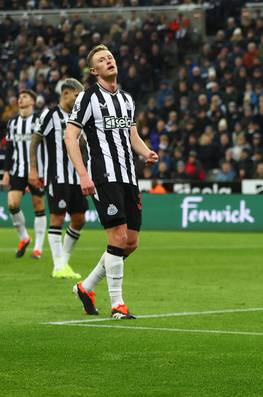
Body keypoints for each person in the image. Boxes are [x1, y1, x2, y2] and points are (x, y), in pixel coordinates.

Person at [65, 44, 158, 319]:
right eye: (102, 60)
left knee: (130, 242)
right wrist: (83, 174)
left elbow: (131, 135)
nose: (109, 61)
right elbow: (70, 137)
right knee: (117, 236)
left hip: (129, 176)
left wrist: (146, 152)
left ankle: (86, 287)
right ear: (94, 71)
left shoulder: (127, 99)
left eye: (111, 57)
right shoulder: (87, 98)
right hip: (103, 176)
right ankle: (118, 305)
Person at [29, 78, 87, 279]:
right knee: (58, 218)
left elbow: (83, 145)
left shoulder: (77, 118)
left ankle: (64, 262)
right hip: (57, 176)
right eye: (77, 96)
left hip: (77, 177)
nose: (79, 100)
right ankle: (58, 265)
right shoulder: (49, 115)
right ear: (66, 93)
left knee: (80, 219)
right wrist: (33, 169)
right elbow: (35, 140)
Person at [1, 89, 47, 259]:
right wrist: (6, 172)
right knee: (12, 204)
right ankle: (24, 238)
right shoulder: (12, 123)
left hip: (37, 170)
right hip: (17, 170)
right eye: (19, 97)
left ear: (33, 102)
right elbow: (10, 148)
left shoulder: (39, 121)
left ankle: (38, 248)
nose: (20, 99)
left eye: (25, 97)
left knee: (38, 206)